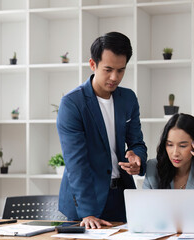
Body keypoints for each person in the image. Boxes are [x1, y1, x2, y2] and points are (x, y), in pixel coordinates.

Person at [57, 32, 147, 229]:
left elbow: (137, 142)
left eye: (121, 70)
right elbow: (76, 163)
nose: (115, 77)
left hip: (120, 197)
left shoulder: (128, 99)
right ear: (93, 64)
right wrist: (87, 212)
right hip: (84, 202)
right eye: (108, 69)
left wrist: (137, 159)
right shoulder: (72, 104)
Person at [143, 113, 194, 228]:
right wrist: (187, 221)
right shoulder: (153, 167)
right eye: (170, 145)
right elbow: (145, 215)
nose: (175, 153)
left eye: (182, 146)